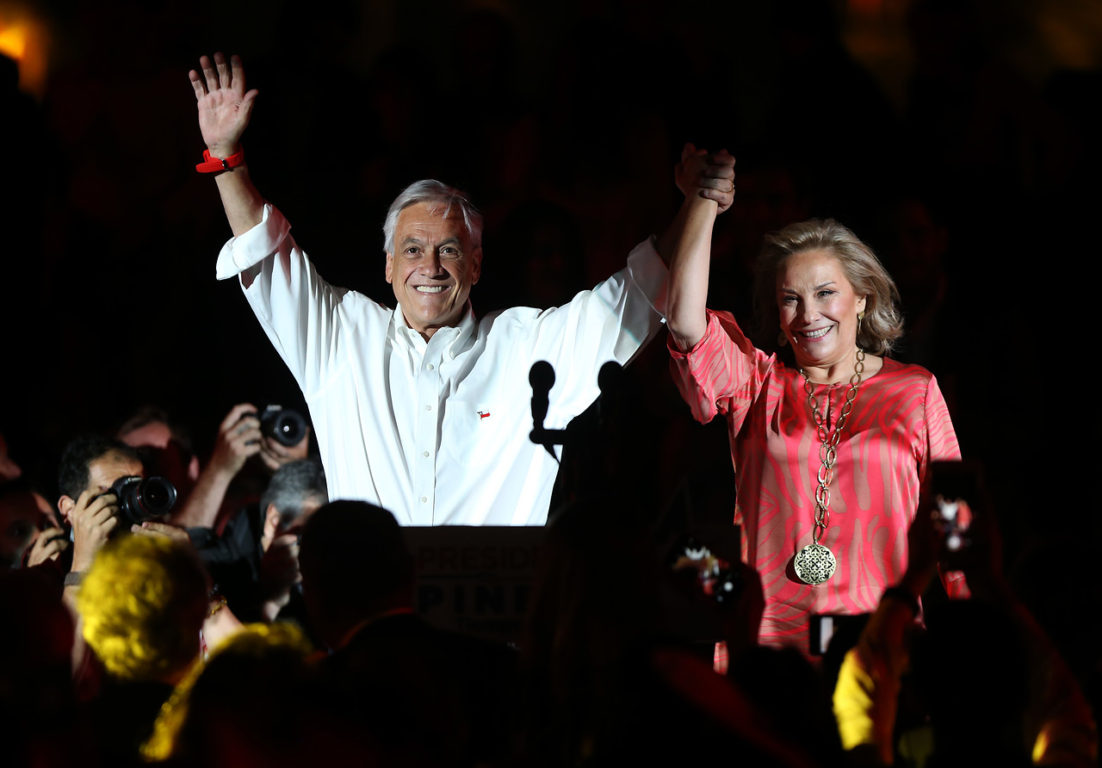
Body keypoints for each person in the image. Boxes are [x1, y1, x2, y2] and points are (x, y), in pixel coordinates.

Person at [188, 52, 721, 525]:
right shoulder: (341, 337)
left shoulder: (524, 347)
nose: (432, 266)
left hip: (492, 626)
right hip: (373, 621)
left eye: (449, 249)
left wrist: (697, 204)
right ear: (390, 266)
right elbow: (266, 249)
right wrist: (225, 158)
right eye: (414, 250)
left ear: (476, 265)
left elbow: (636, 294)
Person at [665, 147, 960, 658]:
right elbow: (686, 324)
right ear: (776, 313)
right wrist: (702, 201)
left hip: (882, 653)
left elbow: (956, 530)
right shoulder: (757, 384)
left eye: (826, 293)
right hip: (769, 655)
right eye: (790, 298)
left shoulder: (915, 391)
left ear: (862, 297)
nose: (808, 314)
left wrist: (975, 648)